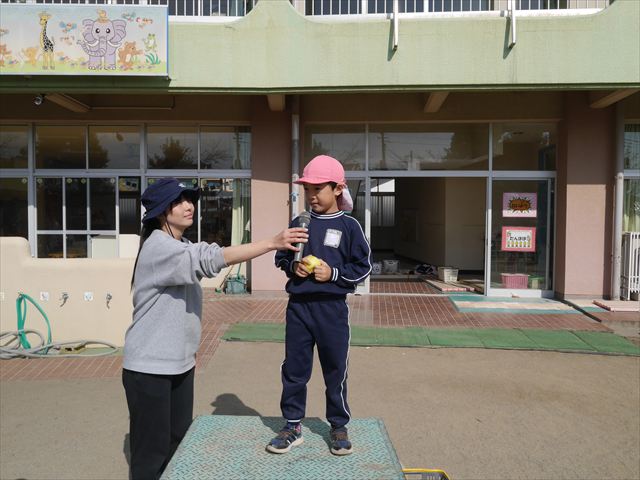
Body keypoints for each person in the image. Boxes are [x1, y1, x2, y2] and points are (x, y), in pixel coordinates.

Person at [122, 177, 308, 479]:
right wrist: (271, 243)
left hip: (179, 363)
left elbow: (205, 252)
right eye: (179, 201)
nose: (188, 206)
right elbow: (211, 258)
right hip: (148, 367)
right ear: (161, 210)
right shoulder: (158, 247)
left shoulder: (181, 245)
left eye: (190, 199)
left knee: (178, 444)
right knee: (151, 453)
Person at [267, 155, 372, 456]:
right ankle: (292, 426)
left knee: (335, 369)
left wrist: (334, 274)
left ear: (338, 188)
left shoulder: (349, 226)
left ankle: (338, 425)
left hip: (332, 309)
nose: (311, 195)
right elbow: (281, 257)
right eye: (307, 189)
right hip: (299, 308)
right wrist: (293, 267)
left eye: (318, 188)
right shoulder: (300, 222)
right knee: (294, 369)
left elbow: (364, 266)